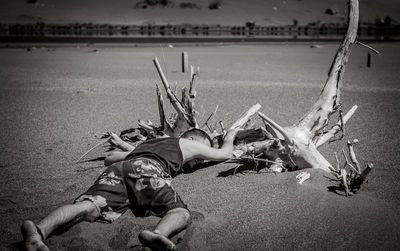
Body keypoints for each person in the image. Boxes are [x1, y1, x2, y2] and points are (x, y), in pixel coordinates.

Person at [21, 127, 239, 251]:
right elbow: (224, 154)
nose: (200, 159)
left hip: (119, 168)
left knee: (88, 205)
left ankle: (38, 231)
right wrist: (229, 138)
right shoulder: (186, 143)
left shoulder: (149, 144)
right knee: (179, 212)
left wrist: (135, 152)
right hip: (148, 169)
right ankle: (157, 235)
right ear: (192, 139)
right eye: (203, 151)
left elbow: (110, 159)